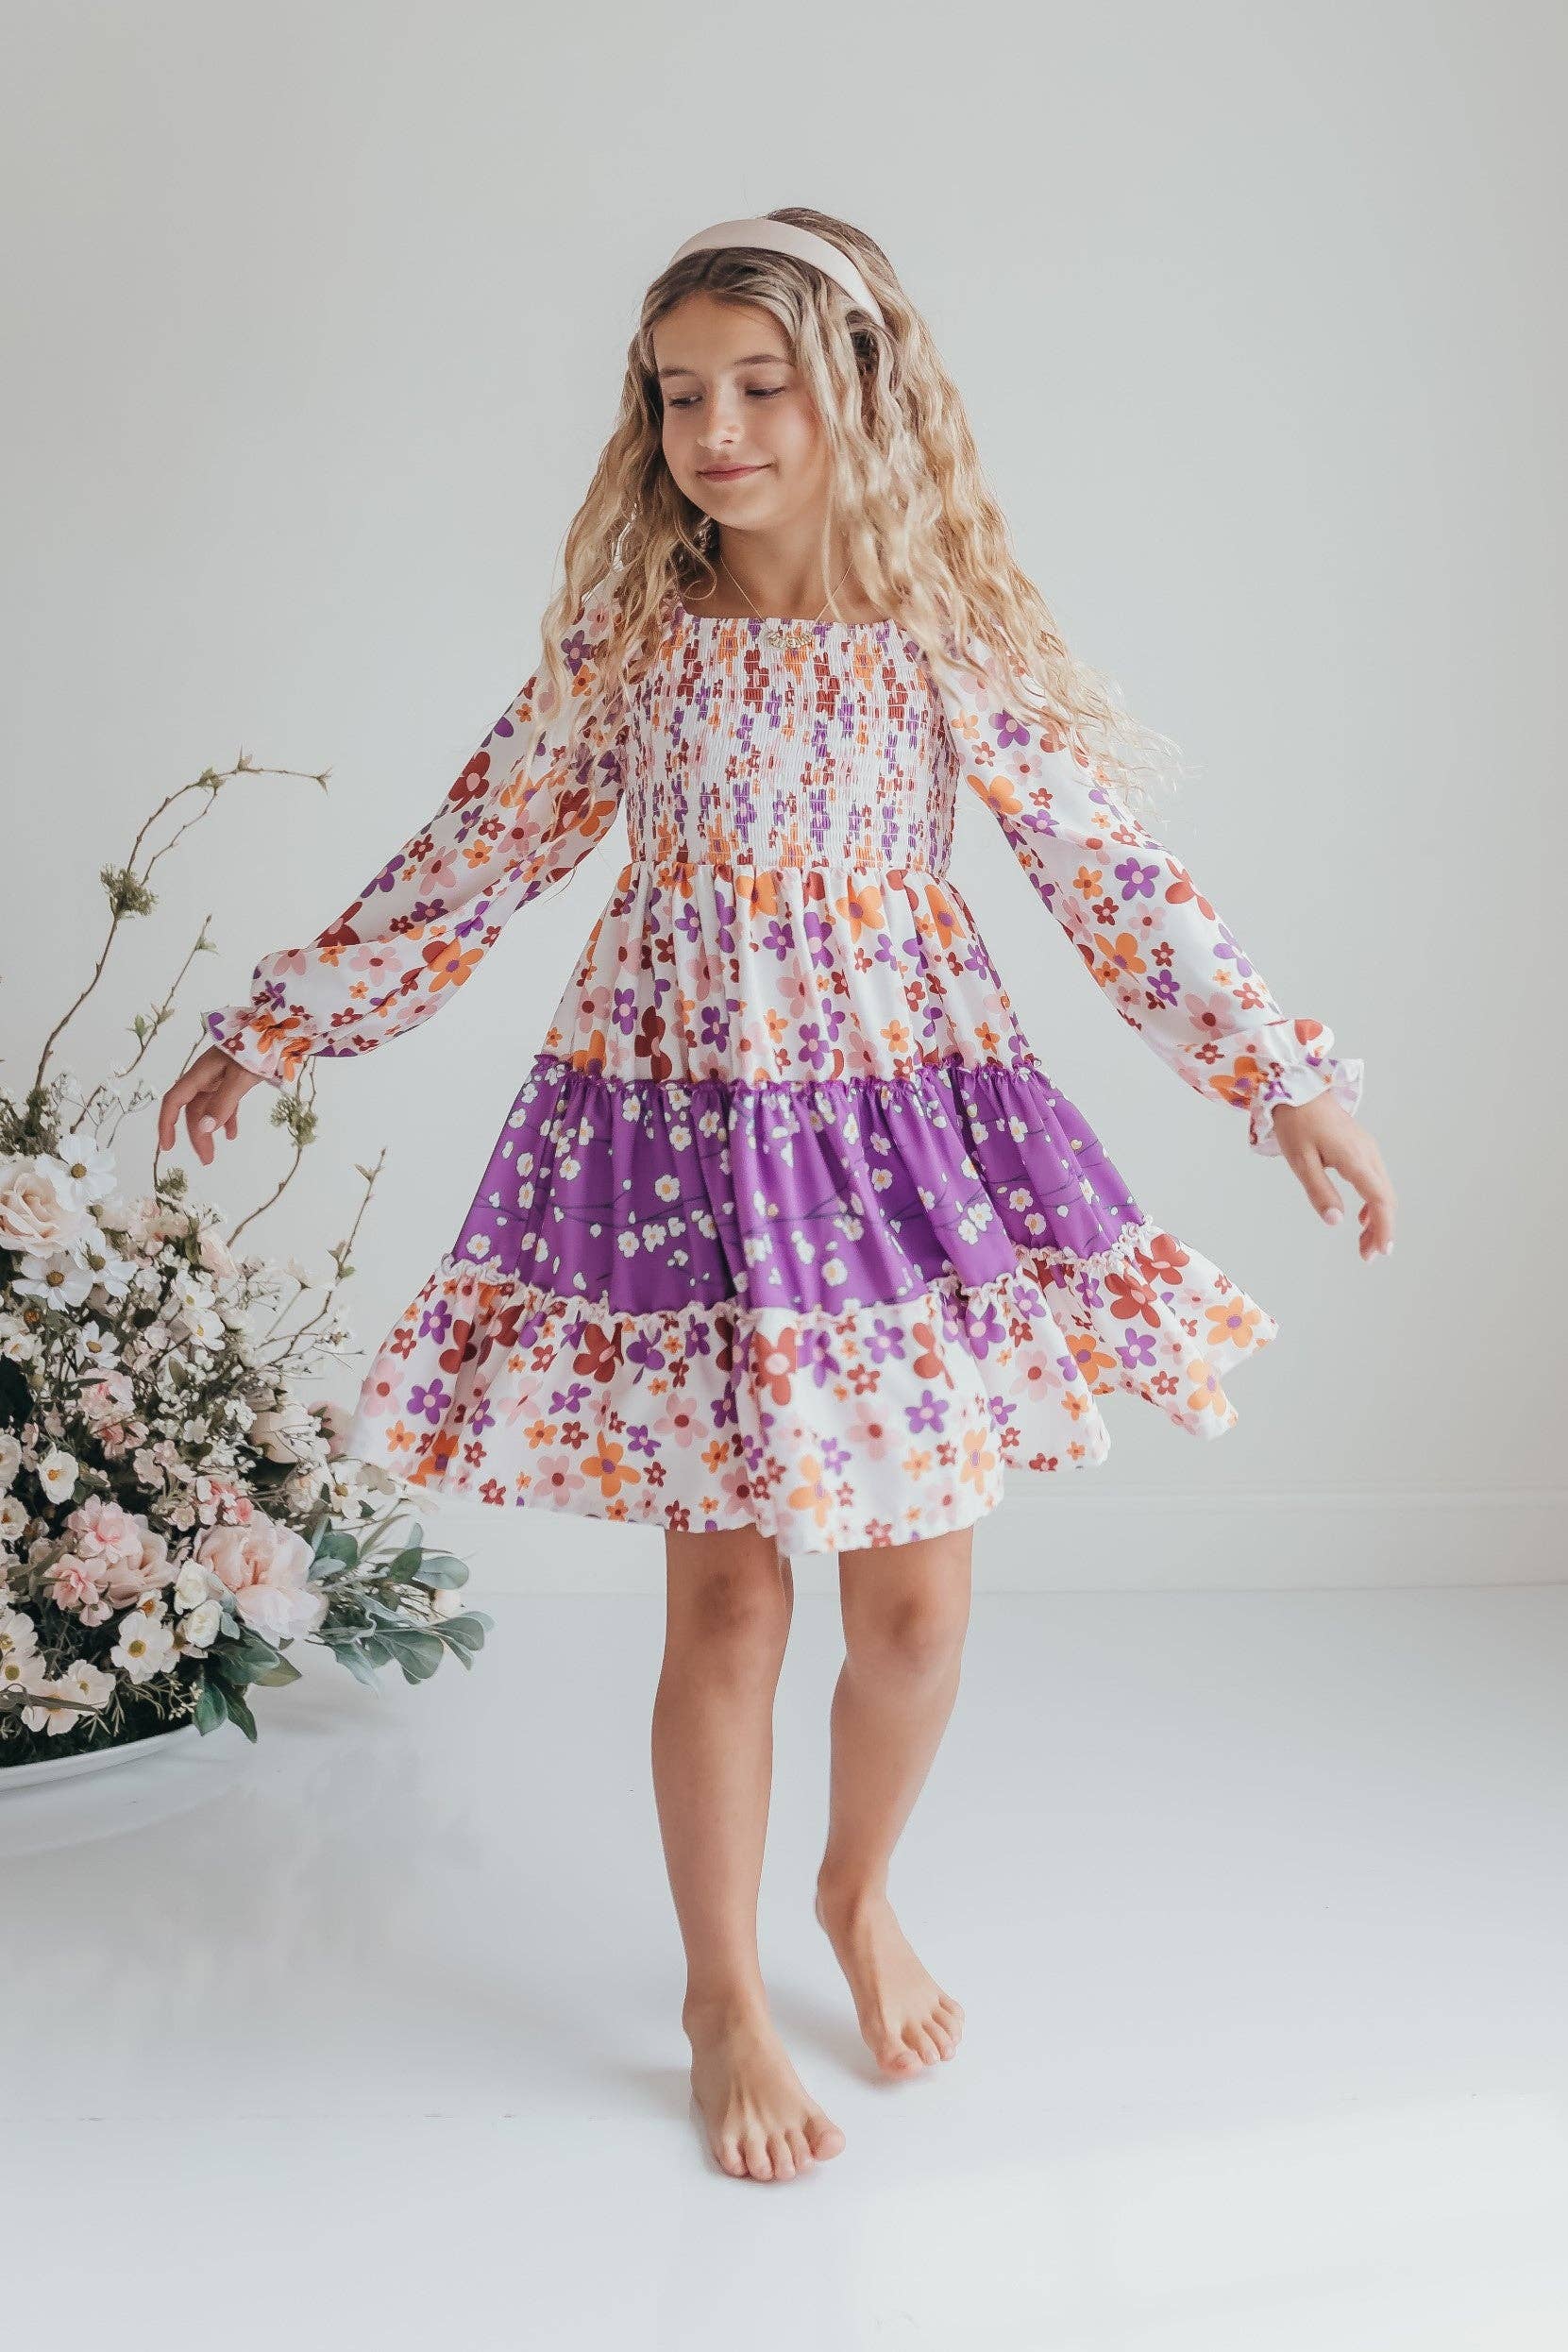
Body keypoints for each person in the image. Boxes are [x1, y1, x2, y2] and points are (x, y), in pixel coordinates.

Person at [158, 208, 1395, 2185]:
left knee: (912, 1609)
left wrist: (1285, 1085)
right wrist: (283, 1023)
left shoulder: (946, 643)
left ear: (862, 397)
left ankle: (855, 1886)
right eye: (676, 395)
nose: (714, 431)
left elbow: (1115, 884)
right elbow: (465, 859)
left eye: (760, 385)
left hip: (900, 1145)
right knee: (727, 1596)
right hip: (689, 1143)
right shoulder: (635, 645)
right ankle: (721, 1988)